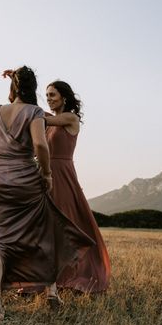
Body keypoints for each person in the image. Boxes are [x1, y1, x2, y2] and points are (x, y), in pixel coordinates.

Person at [0, 66, 94, 310]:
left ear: (12, 88)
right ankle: (52, 291)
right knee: (43, 232)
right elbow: (40, 145)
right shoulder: (34, 112)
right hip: (26, 180)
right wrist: (46, 174)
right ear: (34, 89)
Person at [45, 81, 111, 292]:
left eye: (52, 94)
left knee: (66, 221)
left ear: (64, 97)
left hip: (63, 173)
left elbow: (37, 116)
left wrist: (22, 101)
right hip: (45, 174)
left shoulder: (69, 118)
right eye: (46, 95)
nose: (48, 98)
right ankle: (46, 277)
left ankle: (74, 275)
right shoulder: (48, 120)